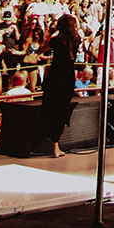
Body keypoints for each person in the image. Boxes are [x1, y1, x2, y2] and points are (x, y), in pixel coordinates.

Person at [39, 13, 80, 156]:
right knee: (62, 108)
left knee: (51, 107)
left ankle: (52, 141)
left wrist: (48, 35)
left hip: (56, 75)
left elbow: (40, 50)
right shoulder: (76, 39)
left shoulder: (56, 40)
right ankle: (56, 142)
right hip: (68, 76)